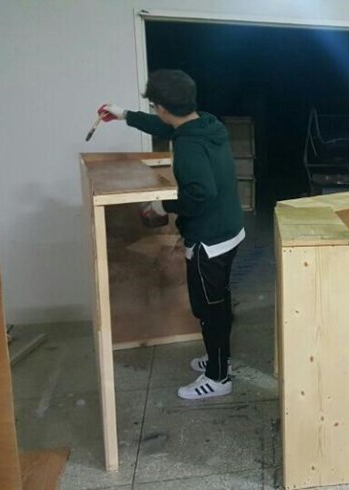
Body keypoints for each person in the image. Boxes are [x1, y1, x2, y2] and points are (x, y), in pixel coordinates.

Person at [99, 69, 245, 401]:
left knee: (208, 309)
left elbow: (200, 194)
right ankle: (219, 357)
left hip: (209, 241)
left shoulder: (189, 147)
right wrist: (124, 115)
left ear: (162, 107)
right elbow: (165, 126)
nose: (155, 112)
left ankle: (218, 377)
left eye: (154, 106)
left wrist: (163, 206)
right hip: (229, 229)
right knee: (218, 301)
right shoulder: (206, 123)